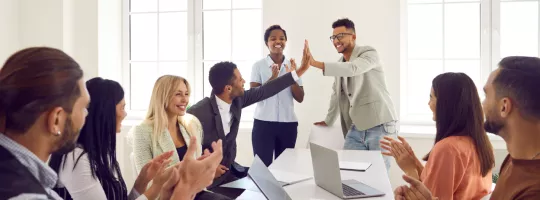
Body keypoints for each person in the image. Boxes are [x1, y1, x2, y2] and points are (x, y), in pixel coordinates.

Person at [394, 56, 540, 200]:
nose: (481, 104)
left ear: (504, 106)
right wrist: (414, 165)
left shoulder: (533, 189)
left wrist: (410, 172)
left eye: (487, 95)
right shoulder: (511, 161)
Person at [187, 43, 312, 198]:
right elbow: (185, 151)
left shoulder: (237, 100)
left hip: (230, 173)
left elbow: (265, 90)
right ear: (228, 88)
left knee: (272, 187)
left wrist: (299, 71)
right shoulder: (197, 113)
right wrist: (207, 166)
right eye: (240, 79)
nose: (244, 81)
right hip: (207, 181)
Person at [49, 77, 175, 200]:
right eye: (122, 107)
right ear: (106, 112)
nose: (125, 114)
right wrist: (157, 187)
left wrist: (142, 181)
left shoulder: (101, 155)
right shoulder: (75, 158)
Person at [381, 73, 494, 199]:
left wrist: (410, 170)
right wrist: (414, 162)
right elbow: (437, 184)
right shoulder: (480, 143)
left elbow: (429, 197)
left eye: (431, 97)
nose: (429, 103)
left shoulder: (447, 149)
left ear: (445, 104)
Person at [309, 18, 398, 170]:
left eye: (341, 35)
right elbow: (336, 95)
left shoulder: (369, 53)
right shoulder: (339, 64)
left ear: (353, 36)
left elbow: (354, 68)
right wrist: (328, 120)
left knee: (379, 175)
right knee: (350, 171)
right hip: (356, 127)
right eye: (334, 37)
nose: (336, 40)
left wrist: (315, 63)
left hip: (380, 124)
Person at [131, 75, 231, 199]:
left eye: (186, 94)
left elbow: (195, 165)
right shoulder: (142, 131)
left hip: (194, 192)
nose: (185, 100)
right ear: (163, 96)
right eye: (178, 94)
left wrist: (207, 167)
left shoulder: (192, 124)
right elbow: (147, 182)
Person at [250, 25, 304, 166]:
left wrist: (291, 76)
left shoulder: (292, 67)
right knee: (262, 168)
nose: (278, 41)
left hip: (288, 125)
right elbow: (254, 95)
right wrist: (273, 78)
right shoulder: (259, 66)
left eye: (282, 38)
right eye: (273, 39)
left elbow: (300, 98)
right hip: (263, 124)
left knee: (285, 168)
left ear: (286, 41)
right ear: (266, 43)